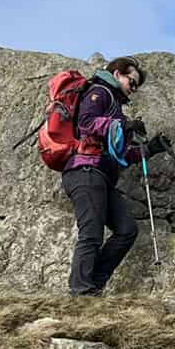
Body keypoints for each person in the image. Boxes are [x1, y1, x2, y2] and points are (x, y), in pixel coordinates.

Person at [62, 55, 154, 295]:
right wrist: (124, 126)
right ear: (116, 74)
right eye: (131, 82)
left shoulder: (115, 107)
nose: (133, 89)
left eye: (136, 86)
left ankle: (93, 286)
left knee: (126, 230)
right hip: (85, 170)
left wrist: (149, 149)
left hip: (100, 174)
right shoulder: (100, 92)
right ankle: (81, 292)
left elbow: (119, 155)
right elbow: (86, 122)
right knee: (91, 234)